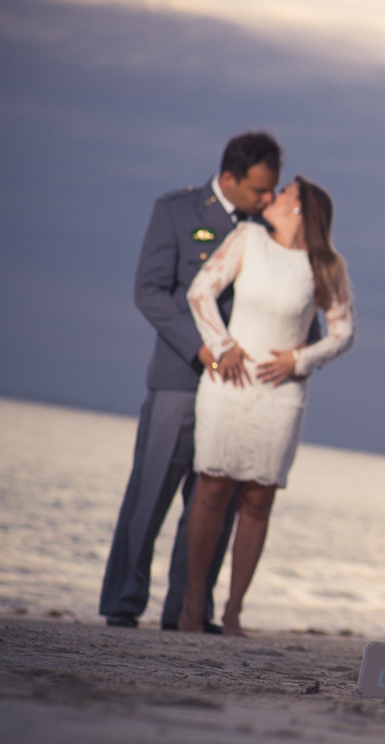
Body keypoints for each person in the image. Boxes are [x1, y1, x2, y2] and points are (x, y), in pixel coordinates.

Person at [100, 132, 319, 631]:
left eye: (273, 191)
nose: (268, 201)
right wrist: (205, 350)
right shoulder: (176, 212)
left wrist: (298, 359)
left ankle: (186, 610)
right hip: (182, 377)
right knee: (150, 493)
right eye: (259, 191)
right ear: (228, 179)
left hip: (241, 393)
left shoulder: (273, 231)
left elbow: (303, 307)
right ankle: (123, 603)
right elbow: (150, 292)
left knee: (213, 504)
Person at [179, 176, 355, 636]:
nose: (271, 198)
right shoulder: (248, 239)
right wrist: (222, 346)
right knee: (212, 489)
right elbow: (200, 292)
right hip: (228, 382)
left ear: (300, 209)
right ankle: (192, 603)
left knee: (257, 501)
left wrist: (300, 359)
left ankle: (234, 612)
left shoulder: (327, 266)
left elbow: (343, 333)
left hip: (281, 396)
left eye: (283, 194)